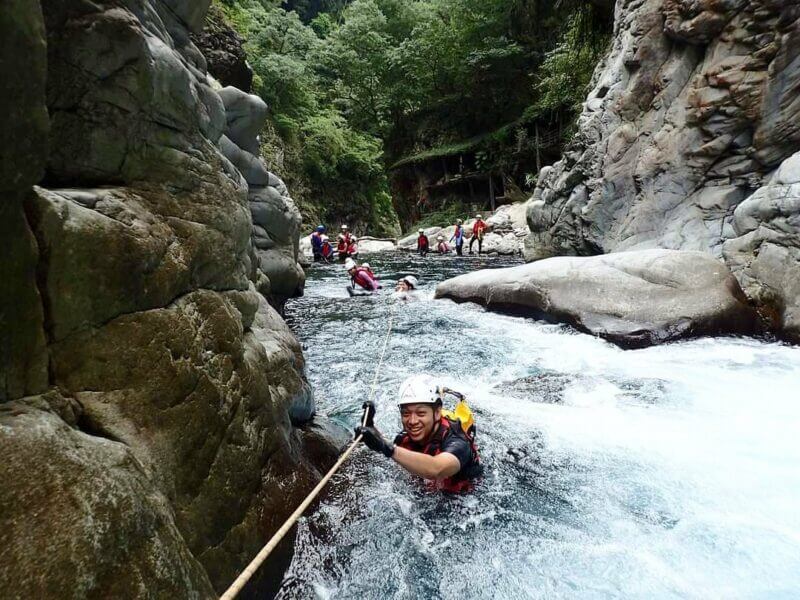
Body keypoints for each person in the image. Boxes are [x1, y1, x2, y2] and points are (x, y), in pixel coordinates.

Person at [355, 376, 481, 493]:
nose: (412, 421)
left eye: (421, 413)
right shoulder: (404, 439)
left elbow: (436, 469)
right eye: (406, 414)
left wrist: (387, 448)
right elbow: (392, 450)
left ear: (437, 412)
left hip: (463, 502)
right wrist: (373, 434)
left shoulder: (458, 443)